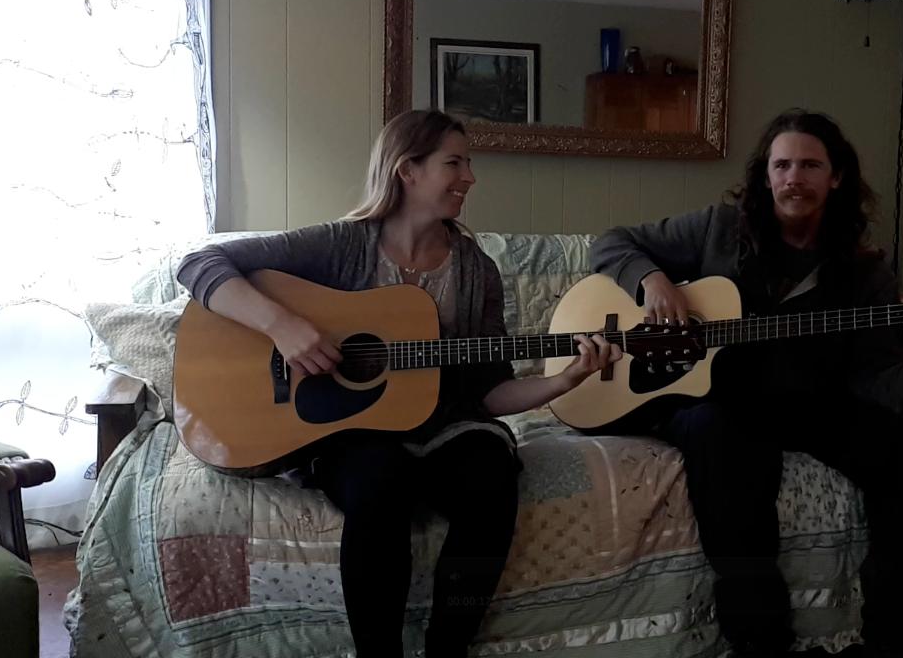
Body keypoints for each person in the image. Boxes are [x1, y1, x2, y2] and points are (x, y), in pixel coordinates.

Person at [177, 110, 621, 657]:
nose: (470, 178)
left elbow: (489, 393)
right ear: (406, 170)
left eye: (469, 163)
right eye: (454, 163)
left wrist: (568, 378)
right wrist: (282, 325)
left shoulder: (475, 269)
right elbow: (200, 264)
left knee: (492, 478)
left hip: (446, 424)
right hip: (349, 428)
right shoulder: (342, 245)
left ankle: (447, 648)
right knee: (379, 484)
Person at [589, 109, 903, 657]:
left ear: (835, 178)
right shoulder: (719, 228)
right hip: (715, 397)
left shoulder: (865, 272)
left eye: (810, 165)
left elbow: (878, 376)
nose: (794, 177)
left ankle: (902, 633)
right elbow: (612, 242)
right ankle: (759, 639)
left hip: (811, 401)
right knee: (725, 441)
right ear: (765, 176)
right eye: (782, 164)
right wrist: (651, 279)